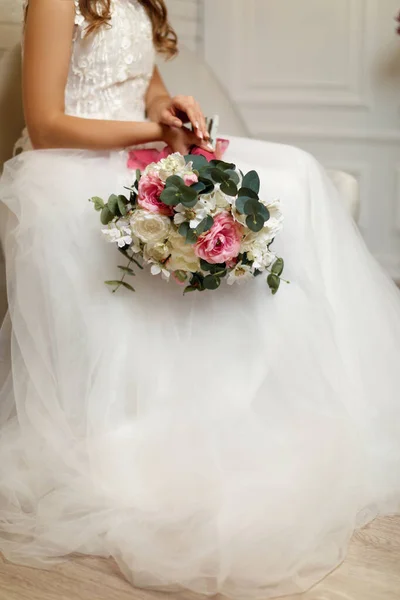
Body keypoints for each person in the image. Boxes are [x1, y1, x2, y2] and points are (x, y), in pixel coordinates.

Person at [0, 1, 399, 599]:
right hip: (71, 163)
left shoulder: (136, 2)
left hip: (139, 143)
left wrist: (170, 112)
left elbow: (149, 89)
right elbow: (49, 122)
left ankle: (291, 389)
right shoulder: (55, 1)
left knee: (297, 170)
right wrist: (155, 134)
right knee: (247, 186)